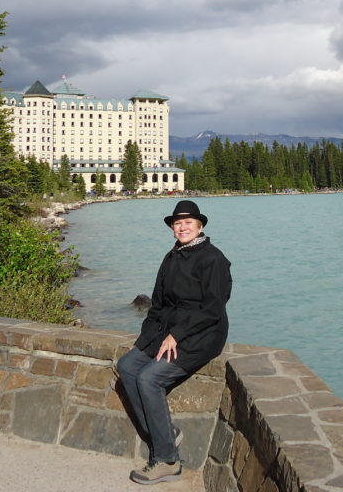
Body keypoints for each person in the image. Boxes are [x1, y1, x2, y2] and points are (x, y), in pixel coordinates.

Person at [116, 200, 232, 485]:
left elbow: (213, 308)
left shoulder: (213, 259)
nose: (182, 227)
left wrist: (177, 335)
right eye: (177, 223)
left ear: (200, 225)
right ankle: (166, 433)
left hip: (202, 335)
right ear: (172, 228)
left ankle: (168, 459)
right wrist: (144, 340)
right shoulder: (172, 256)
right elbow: (158, 304)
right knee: (128, 365)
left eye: (188, 222)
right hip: (166, 332)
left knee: (149, 379)